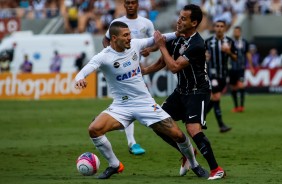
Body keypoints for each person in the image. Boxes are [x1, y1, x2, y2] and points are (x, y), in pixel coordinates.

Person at [75, 21, 207, 179]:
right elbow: (83, 71)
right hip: (121, 106)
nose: (129, 38)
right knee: (94, 129)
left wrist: (177, 34)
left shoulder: (135, 44)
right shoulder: (103, 57)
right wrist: (80, 78)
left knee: (178, 135)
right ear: (114, 38)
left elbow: (157, 39)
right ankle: (115, 165)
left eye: (129, 34)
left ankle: (194, 164)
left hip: (144, 103)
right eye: (125, 35)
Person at [142, 4, 225, 180]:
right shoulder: (178, 38)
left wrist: (161, 46)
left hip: (198, 91)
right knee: (158, 123)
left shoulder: (197, 44)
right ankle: (189, 153)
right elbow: (163, 62)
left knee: (192, 128)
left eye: (183, 18)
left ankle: (216, 169)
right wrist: (143, 71)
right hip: (181, 91)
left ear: (194, 22)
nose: (178, 21)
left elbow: (174, 67)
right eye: (179, 17)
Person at [102, 0, 158, 155]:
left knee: (136, 101)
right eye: (128, 3)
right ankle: (132, 142)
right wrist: (111, 55)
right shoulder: (117, 23)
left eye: (133, 2)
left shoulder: (146, 23)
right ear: (124, 5)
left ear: (138, 5)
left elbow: (156, 41)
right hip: (123, 70)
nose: (130, 5)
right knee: (129, 101)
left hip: (139, 69)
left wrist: (149, 50)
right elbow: (106, 39)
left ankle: (108, 119)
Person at [205, 20, 237, 133]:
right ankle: (221, 125)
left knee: (214, 98)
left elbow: (235, 58)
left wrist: (229, 52)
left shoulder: (229, 41)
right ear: (214, 28)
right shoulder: (208, 42)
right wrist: (205, 57)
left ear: (225, 28)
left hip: (223, 75)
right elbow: (201, 56)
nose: (219, 28)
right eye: (217, 26)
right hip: (211, 74)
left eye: (221, 26)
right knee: (216, 97)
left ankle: (201, 118)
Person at [229, 26, 254, 113]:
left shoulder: (244, 42)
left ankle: (242, 106)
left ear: (240, 32)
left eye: (237, 31)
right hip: (231, 69)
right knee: (233, 88)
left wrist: (251, 66)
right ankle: (236, 107)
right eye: (234, 31)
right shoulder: (229, 42)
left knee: (241, 85)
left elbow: (248, 54)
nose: (236, 33)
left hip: (240, 68)